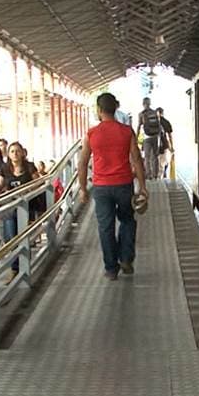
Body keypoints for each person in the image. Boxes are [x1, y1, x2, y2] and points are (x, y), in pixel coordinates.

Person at [79, 92, 147, 280]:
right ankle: (125, 258)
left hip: (101, 188)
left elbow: (82, 163)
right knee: (127, 220)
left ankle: (111, 268)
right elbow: (137, 159)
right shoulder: (126, 131)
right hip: (124, 184)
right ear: (115, 108)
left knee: (105, 227)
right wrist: (142, 186)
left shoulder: (91, 134)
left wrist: (83, 189)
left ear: (99, 110)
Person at [0, 141, 36, 280]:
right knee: (11, 238)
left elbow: (38, 183)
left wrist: (28, 191)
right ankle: (15, 269)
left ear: (22, 153)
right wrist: (4, 192)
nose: (15, 154)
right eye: (12, 151)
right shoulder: (4, 169)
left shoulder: (29, 167)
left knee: (24, 237)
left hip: (26, 207)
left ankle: (25, 267)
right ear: (8, 154)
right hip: (10, 208)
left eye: (17, 151)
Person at [135, 97, 160, 179]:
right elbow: (159, 126)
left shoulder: (141, 114)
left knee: (147, 157)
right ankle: (155, 175)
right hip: (155, 136)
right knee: (155, 156)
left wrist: (136, 137)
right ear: (150, 103)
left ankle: (149, 175)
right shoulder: (155, 112)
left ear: (143, 104)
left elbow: (139, 126)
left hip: (146, 137)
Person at [156, 107, 174, 179]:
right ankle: (163, 174)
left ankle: (158, 176)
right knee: (164, 161)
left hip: (153, 146)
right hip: (164, 145)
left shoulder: (152, 122)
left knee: (158, 163)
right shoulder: (166, 122)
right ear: (162, 113)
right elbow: (170, 136)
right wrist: (171, 147)